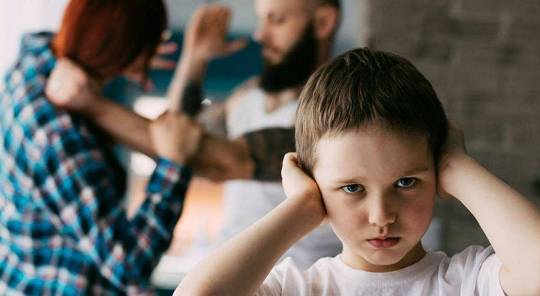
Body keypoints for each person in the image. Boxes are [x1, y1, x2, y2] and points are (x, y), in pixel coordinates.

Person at [175, 48, 540, 296]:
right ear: (314, 184)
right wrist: (302, 206)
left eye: (406, 182)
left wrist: (457, 167)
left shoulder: (468, 281)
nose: (382, 216)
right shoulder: (298, 288)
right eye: (352, 188)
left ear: (437, 174)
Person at [46, 0, 344, 268]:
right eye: (261, 19)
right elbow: (178, 135)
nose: (260, 35)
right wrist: (195, 58)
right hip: (229, 278)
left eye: (277, 20)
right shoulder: (248, 95)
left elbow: (209, 158)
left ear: (322, 22)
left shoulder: (336, 113)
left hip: (297, 284)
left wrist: (88, 102)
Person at [0, 0, 203, 294]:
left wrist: (126, 51)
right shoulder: (56, 133)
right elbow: (129, 264)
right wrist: (175, 166)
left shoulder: (30, 67)